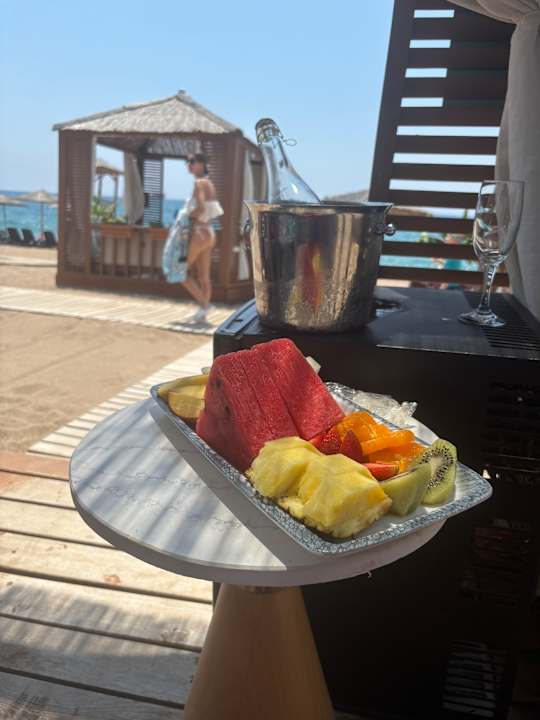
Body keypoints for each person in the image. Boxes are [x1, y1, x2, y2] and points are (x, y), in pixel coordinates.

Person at [182, 153, 223, 322]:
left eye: (192, 161)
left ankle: (205, 305)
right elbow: (211, 210)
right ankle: (203, 313)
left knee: (180, 272)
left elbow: (200, 208)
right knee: (204, 277)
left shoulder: (199, 183)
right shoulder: (208, 183)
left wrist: (185, 216)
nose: (188, 164)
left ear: (202, 164)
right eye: (187, 162)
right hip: (209, 232)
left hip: (199, 232)